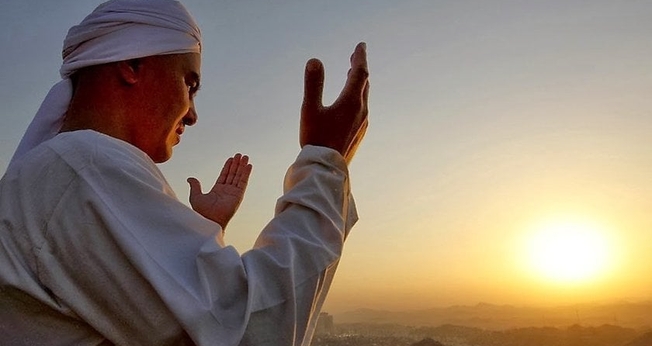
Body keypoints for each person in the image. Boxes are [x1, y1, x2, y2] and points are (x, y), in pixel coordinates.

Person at [0, 0, 369, 345]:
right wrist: (325, 162)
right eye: (189, 84)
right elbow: (248, 330)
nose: (192, 114)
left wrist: (202, 237)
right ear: (132, 64)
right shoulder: (84, 165)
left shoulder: (56, 173)